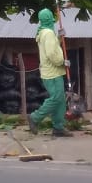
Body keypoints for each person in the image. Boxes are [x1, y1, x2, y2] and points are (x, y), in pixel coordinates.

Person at [28, 8, 70, 137]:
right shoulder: (48, 33)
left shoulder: (43, 32)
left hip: (50, 72)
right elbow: (52, 53)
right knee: (56, 98)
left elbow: (52, 47)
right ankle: (35, 117)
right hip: (53, 72)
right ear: (50, 20)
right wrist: (62, 62)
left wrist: (59, 37)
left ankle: (58, 127)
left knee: (60, 101)